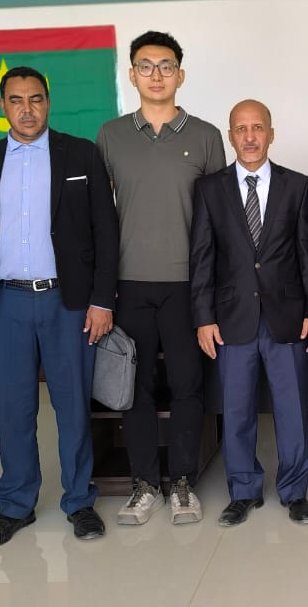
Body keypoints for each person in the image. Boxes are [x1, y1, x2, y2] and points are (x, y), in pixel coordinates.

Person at [0, 66, 118, 546]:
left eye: (36, 99)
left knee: (72, 406)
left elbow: (106, 233)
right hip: (4, 304)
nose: (27, 109)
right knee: (13, 409)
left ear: (49, 102)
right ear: (2, 105)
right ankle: (16, 504)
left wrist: (101, 300)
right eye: (16, 100)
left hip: (67, 302)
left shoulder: (81, 153)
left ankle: (79, 501)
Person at [97, 31, 225, 526]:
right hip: (129, 284)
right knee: (136, 387)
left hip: (188, 286)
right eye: (146, 66)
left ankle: (184, 482)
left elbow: (220, 218)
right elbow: (98, 216)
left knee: (188, 384)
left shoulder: (206, 135)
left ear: (180, 75)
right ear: (132, 75)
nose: (156, 75)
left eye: (165, 66)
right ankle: (145, 482)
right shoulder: (110, 135)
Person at [189, 99, 308, 527]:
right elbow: (202, 257)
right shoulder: (210, 189)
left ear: (271, 133)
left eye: (258, 128)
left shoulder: (297, 186)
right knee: (237, 409)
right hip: (231, 319)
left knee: (291, 408)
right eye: (241, 129)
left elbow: (307, 254)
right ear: (230, 136)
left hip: (286, 316)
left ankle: (294, 491)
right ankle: (242, 490)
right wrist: (203, 317)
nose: (249, 137)